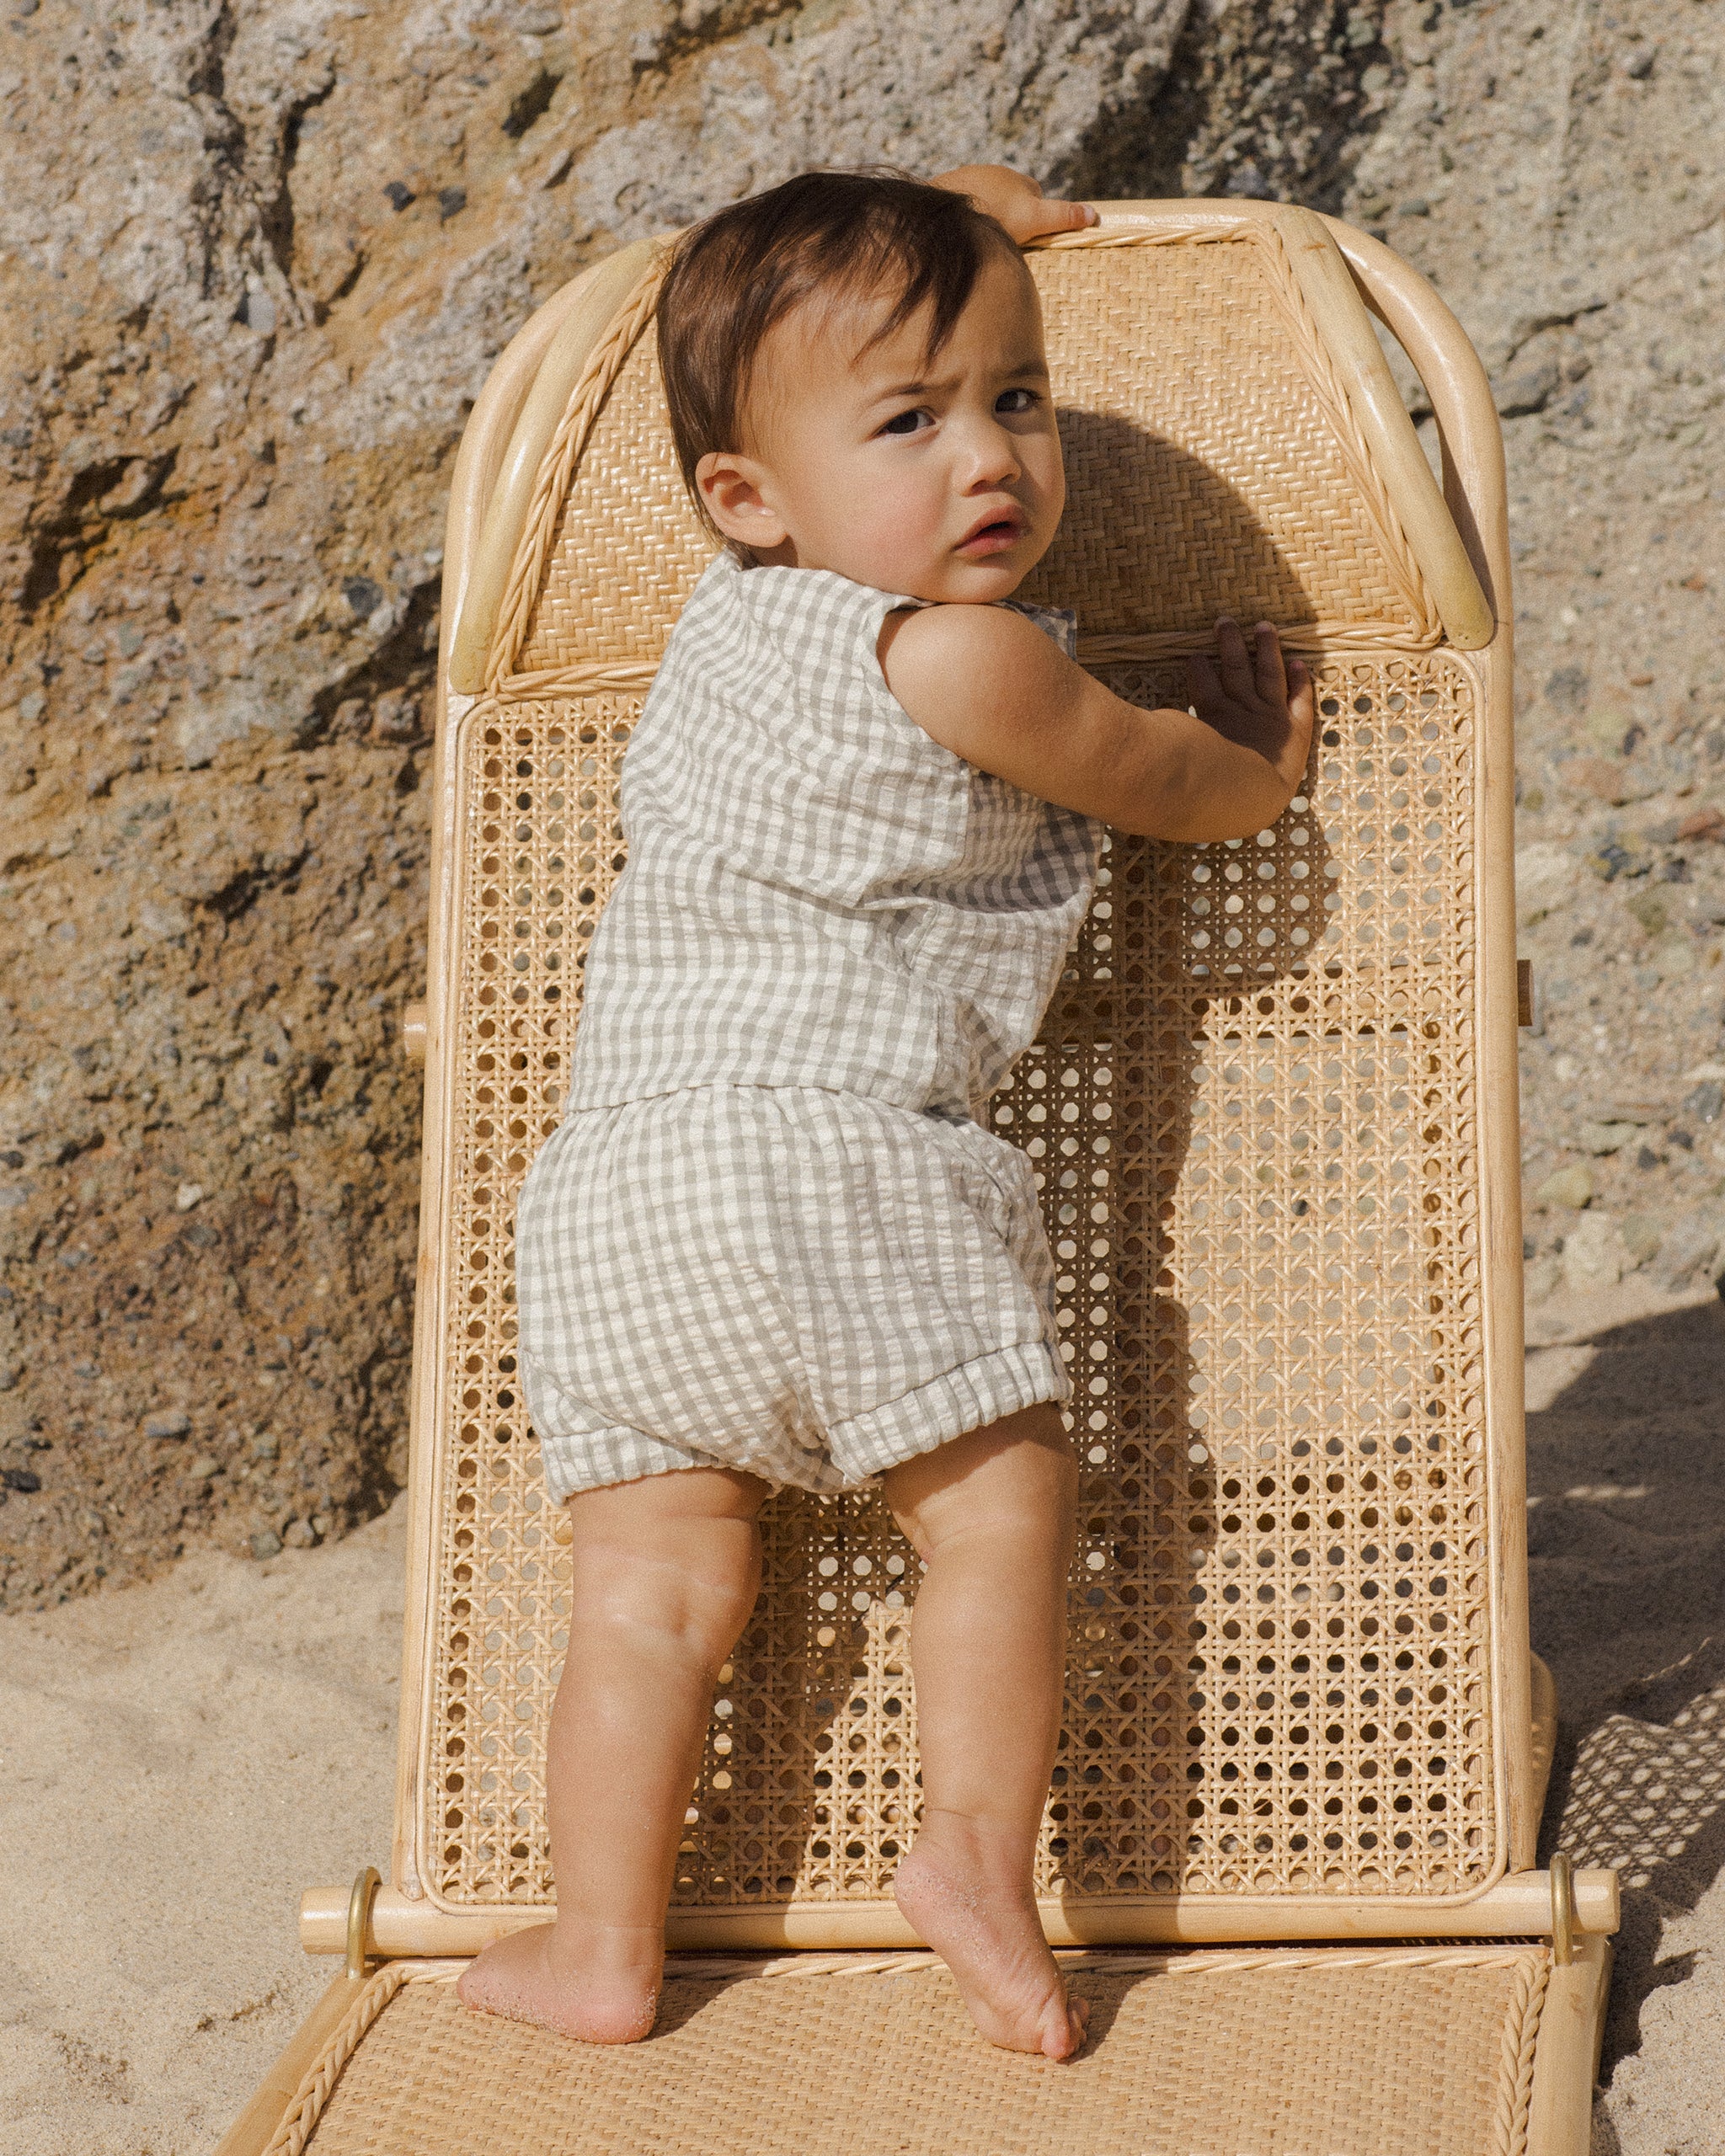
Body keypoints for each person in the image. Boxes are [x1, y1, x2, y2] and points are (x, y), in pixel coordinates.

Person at [458, 164, 1313, 2062]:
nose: (989, 457)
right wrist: (1250, 761)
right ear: (751, 498)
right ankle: (971, 1855)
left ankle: (604, 1936)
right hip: (819, 1160)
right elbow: (1156, 780)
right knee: (1002, 1510)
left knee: (654, 1593)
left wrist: (937, 208)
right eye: (913, 422)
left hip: (607, 1200)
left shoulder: (723, 616)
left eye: (1018, 396)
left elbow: (759, 328)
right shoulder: (962, 654)